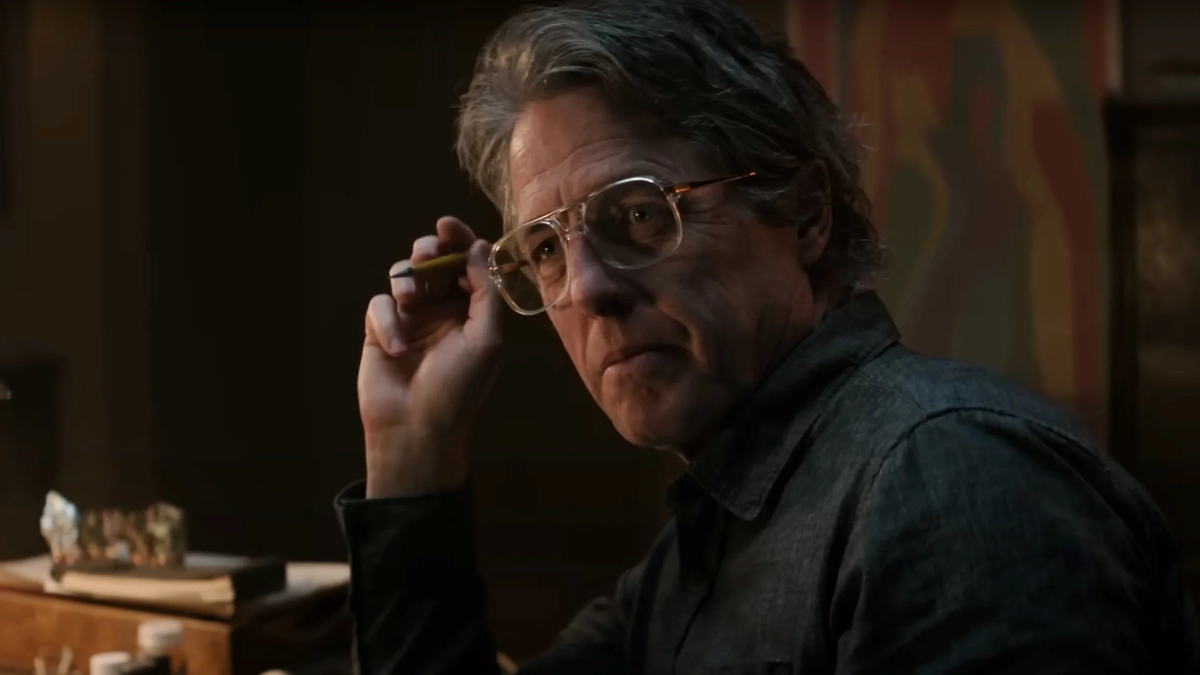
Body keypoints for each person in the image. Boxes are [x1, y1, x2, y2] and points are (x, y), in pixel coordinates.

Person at [336, 0, 1199, 672]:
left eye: (637, 214)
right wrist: (413, 447)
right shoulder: (703, 540)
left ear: (805, 212)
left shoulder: (949, 477)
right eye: (547, 250)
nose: (589, 287)